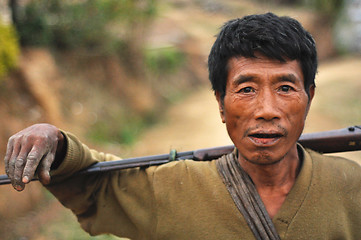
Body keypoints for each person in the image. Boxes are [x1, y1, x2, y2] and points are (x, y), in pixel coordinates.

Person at [4, 12, 361, 240]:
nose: (266, 110)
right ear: (220, 103)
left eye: (285, 88)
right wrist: (55, 141)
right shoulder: (172, 188)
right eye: (246, 89)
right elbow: (95, 186)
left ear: (309, 97)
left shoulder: (352, 188)